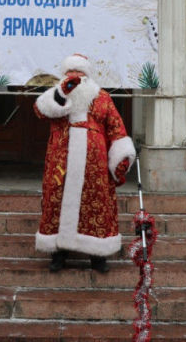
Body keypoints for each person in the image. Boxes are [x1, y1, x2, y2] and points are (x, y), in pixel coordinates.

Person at [34, 54, 136, 273]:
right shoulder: (57, 95)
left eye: (79, 72)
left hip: (95, 166)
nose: (76, 76)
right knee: (57, 202)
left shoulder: (102, 97)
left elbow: (116, 127)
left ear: (87, 75)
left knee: (96, 204)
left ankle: (97, 255)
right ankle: (58, 254)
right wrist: (62, 92)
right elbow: (40, 111)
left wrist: (122, 154)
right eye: (71, 72)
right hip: (61, 162)